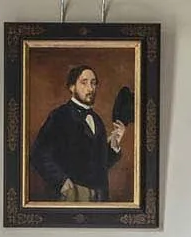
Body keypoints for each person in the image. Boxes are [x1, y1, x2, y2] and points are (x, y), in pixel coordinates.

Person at [29, 65, 126, 202]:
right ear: (72, 87)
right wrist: (62, 181)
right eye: (84, 82)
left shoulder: (97, 120)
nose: (90, 88)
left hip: (100, 197)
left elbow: (99, 165)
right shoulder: (59, 116)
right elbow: (38, 153)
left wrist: (114, 145)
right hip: (72, 195)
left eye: (93, 83)